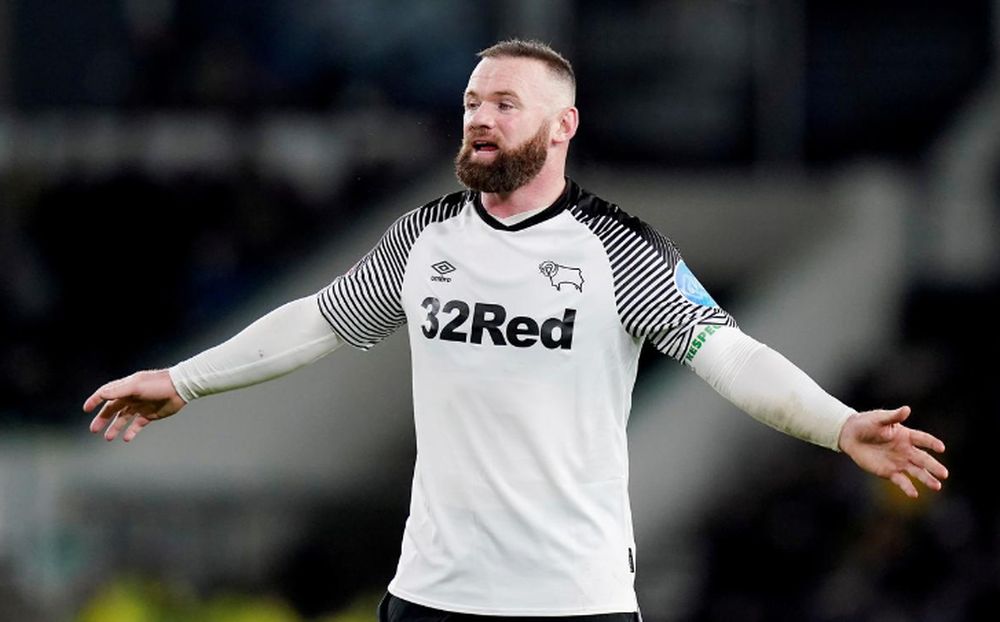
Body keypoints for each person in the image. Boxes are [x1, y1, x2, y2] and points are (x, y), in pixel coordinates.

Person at [83, 39, 948, 621]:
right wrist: (185, 380)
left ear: (562, 125)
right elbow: (320, 320)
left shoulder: (618, 248)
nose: (481, 117)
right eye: (471, 101)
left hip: (572, 603)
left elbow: (727, 353)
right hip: (431, 599)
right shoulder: (426, 239)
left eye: (505, 102)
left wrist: (836, 424)